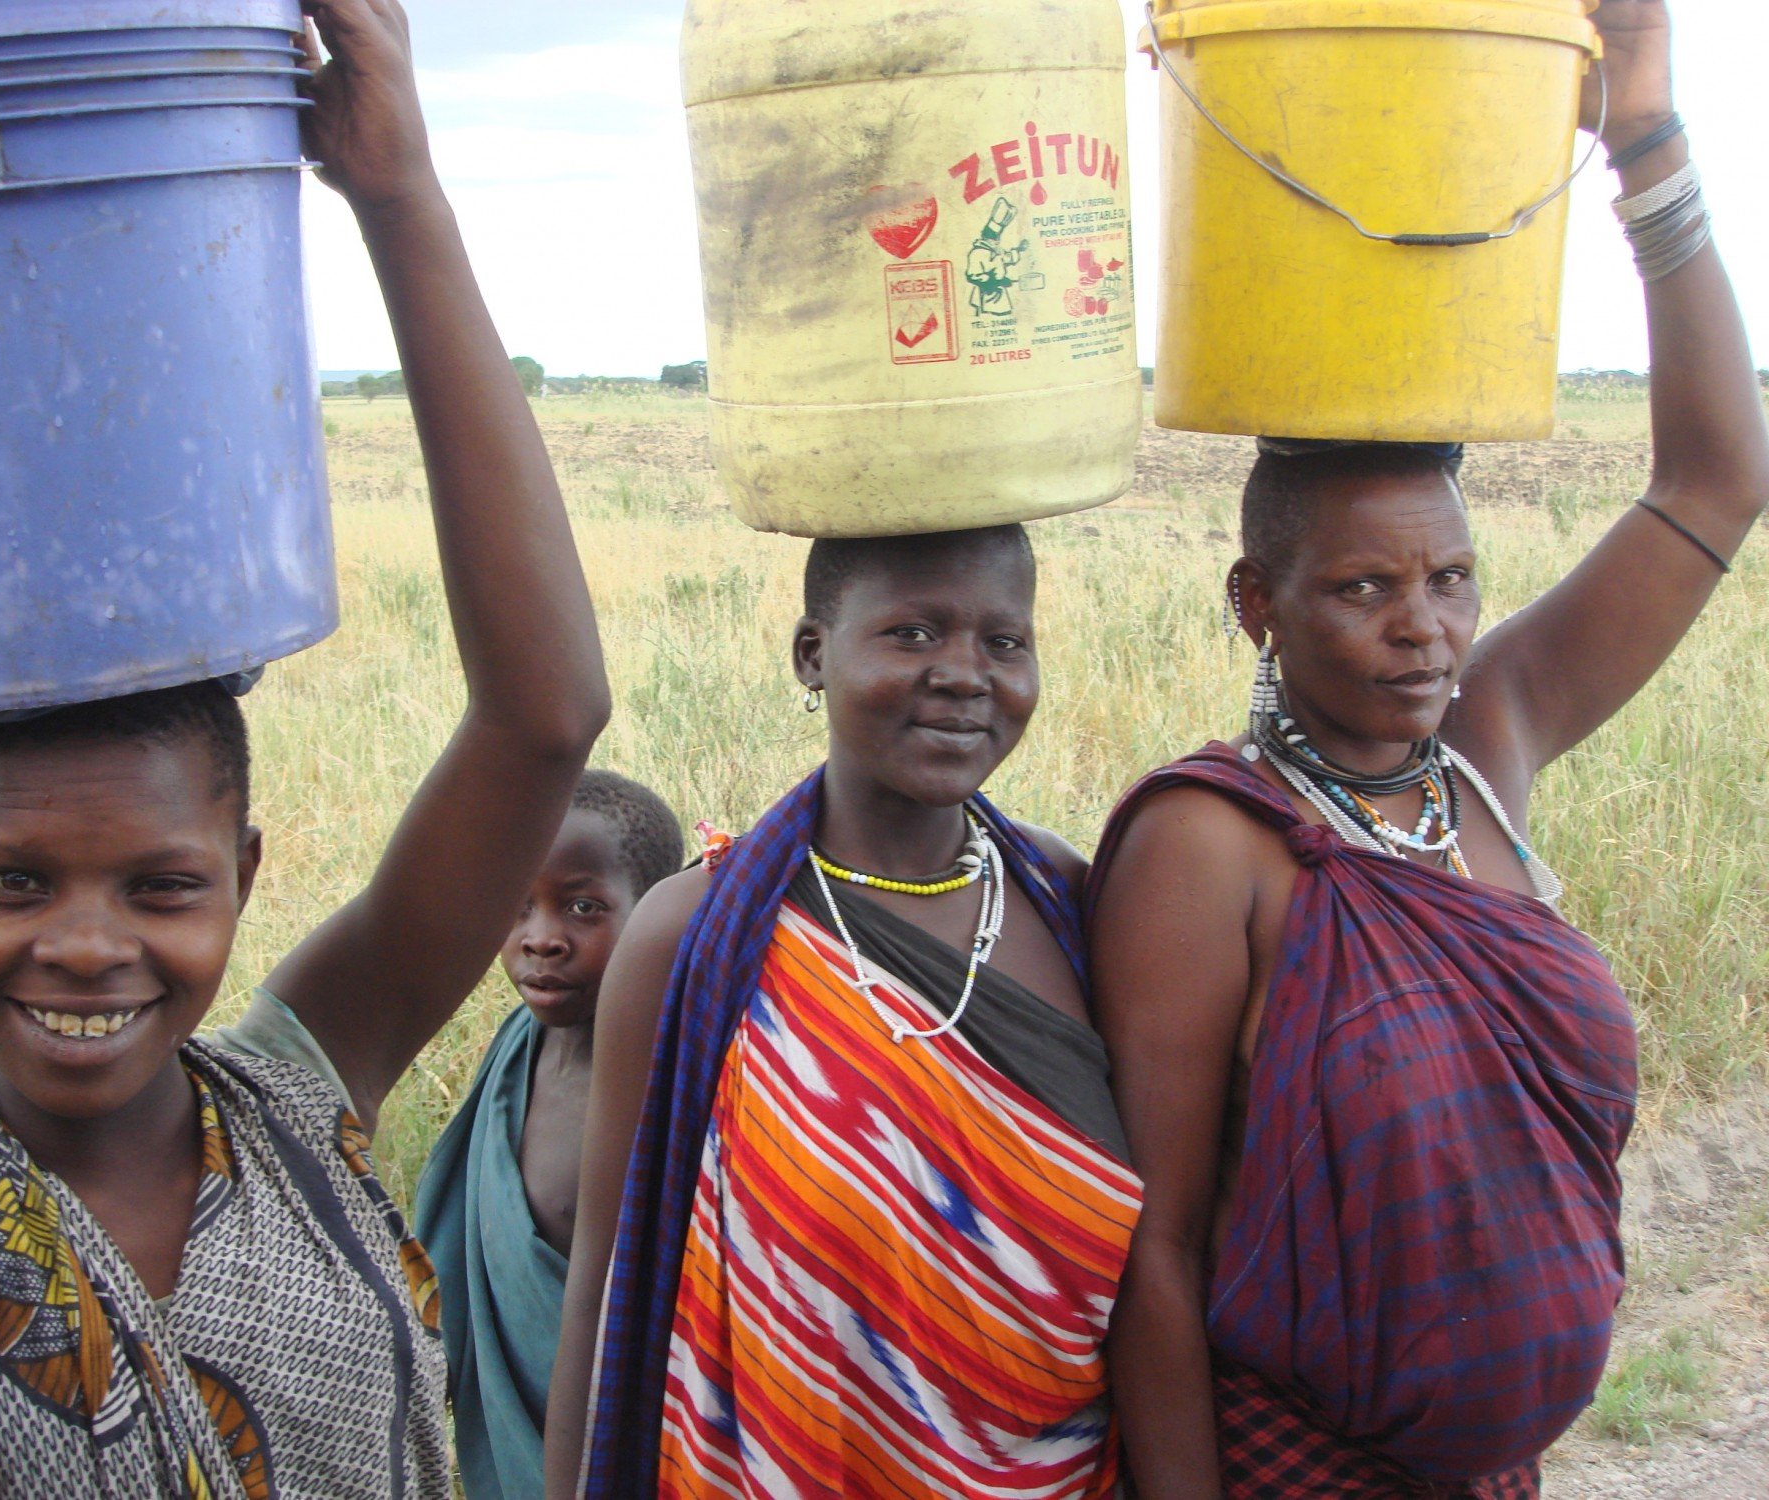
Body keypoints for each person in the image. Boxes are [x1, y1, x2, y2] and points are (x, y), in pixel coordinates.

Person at [0, 1, 610, 1494]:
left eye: (161, 887)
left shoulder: (306, 1078)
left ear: (244, 871)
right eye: (12, 883)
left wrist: (398, 196)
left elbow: (545, 717)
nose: (87, 947)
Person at [1087, 4, 1769, 1496]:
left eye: (1449, 579)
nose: (1424, 630)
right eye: (1362, 589)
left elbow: (1721, 480)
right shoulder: (1212, 844)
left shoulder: (1488, 748)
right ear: (1255, 604)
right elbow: (1161, 1247)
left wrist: (1645, 135)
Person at [543, 526, 1146, 1499]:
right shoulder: (691, 939)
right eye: (911, 633)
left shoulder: (1066, 903)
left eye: (1003, 642)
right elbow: (603, 1288)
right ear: (811, 654)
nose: (962, 674)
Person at [413, 769, 684, 1500]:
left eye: (583, 908)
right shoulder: (516, 1050)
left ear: (656, 912)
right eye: (517, 905)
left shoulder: (679, 1089)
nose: (541, 940)